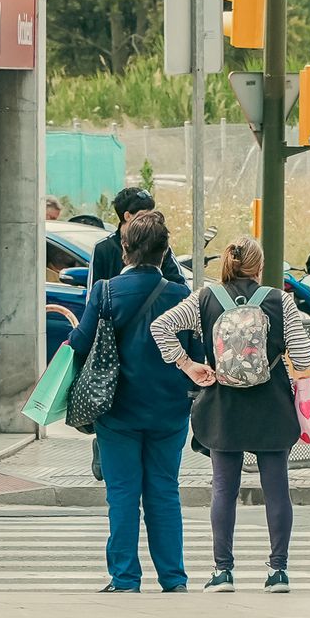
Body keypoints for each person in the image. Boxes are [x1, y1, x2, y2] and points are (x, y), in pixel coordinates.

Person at [151, 236, 310, 593]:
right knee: (277, 490)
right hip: (272, 406)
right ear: (259, 266)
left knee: (224, 489)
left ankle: (222, 571)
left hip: (222, 407)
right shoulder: (280, 301)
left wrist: (188, 364)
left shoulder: (205, 298)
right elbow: (302, 359)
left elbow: (160, 327)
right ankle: (278, 572)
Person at [68, 212, 198, 593]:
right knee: (164, 490)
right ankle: (173, 578)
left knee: (122, 494)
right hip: (169, 409)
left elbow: (79, 343)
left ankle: (125, 577)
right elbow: (195, 349)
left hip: (117, 409)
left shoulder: (105, 292)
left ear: (125, 249)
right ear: (164, 252)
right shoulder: (180, 296)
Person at [89, 187, 184, 288]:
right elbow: (94, 296)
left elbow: (180, 286)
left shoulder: (158, 243)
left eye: (152, 214)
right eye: (143, 215)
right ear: (127, 216)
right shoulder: (103, 249)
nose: (149, 219)